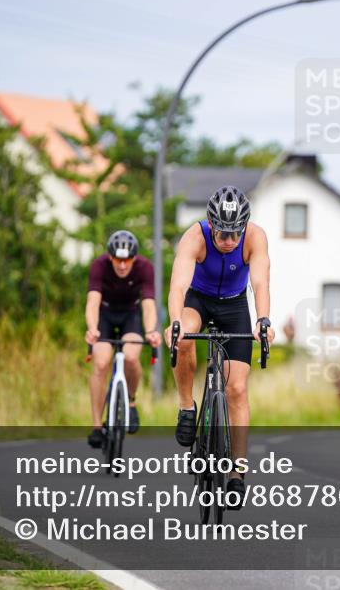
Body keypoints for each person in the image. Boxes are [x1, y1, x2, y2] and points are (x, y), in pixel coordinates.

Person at [164, 185, 275, 505]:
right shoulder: (194, 237)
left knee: (236, 388)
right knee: (183, 337)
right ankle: (187, 407)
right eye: (223, 233)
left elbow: (260, 283)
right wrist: (175, 322)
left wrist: (263, 321)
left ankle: (237, 474)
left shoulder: (255, 237)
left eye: (235, 233)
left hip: (234, 306)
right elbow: (178, 286)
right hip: (198, 301)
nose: (229, 240)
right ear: (211, 224)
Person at [84, 230, 161, 448]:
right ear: (110, 256)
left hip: (130, 315)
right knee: (101, 363)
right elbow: (92, 302)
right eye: (118, 260)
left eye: (127, 260)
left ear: (134, 258)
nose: (123, 265)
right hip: (105, 315)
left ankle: (131, 400)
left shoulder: (144, 267)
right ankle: (97, 426)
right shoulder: (99, 266)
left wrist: (151, 331)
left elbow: (148, 304)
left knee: (131, 356)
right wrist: (92, 329)